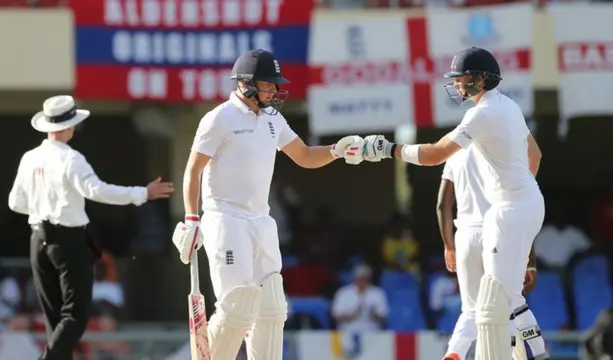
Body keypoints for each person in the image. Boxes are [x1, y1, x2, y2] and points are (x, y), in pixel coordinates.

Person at [349, 47, 548, 360]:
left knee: (500, 295)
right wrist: (517, 190)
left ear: (481, 80)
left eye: (463, 78)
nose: (457, 84)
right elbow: (534, 155)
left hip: (507, 212)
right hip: (529, 202)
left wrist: (390, 149)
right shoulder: (509, 105)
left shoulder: (481, 114)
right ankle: (534, 354)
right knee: (506, 295)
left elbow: (435, 154)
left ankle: (535, 355)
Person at [171, 49, 365, 360]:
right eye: (268, 84)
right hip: (226, 219)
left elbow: (303, 155)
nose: (275, 91)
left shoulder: (273, 118)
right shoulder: (219, 118)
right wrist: (192, 219)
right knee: (237, 309)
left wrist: (336, 150)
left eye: (276, 85)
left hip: (262, 221)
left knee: (272, 309)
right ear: (246, 84)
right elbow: (193, 170)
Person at [8, 95, 174, 360]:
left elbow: (15, 203)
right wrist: (142, 193)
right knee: (74, 314)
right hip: (67, 239)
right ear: (69, 126)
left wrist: (43, 209)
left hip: (37, 237)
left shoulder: (30, 158)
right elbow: (96, 190)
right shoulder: (71, 159)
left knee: (55, 315)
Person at [436, 145, 538, 360]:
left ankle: (455, 351)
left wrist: (448, 246)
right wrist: (530, 261)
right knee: (509, 304)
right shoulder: (503, 151)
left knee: (470, 310)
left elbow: (442, 204)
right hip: (497, 231)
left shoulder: (455, 153)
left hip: (464, 235)